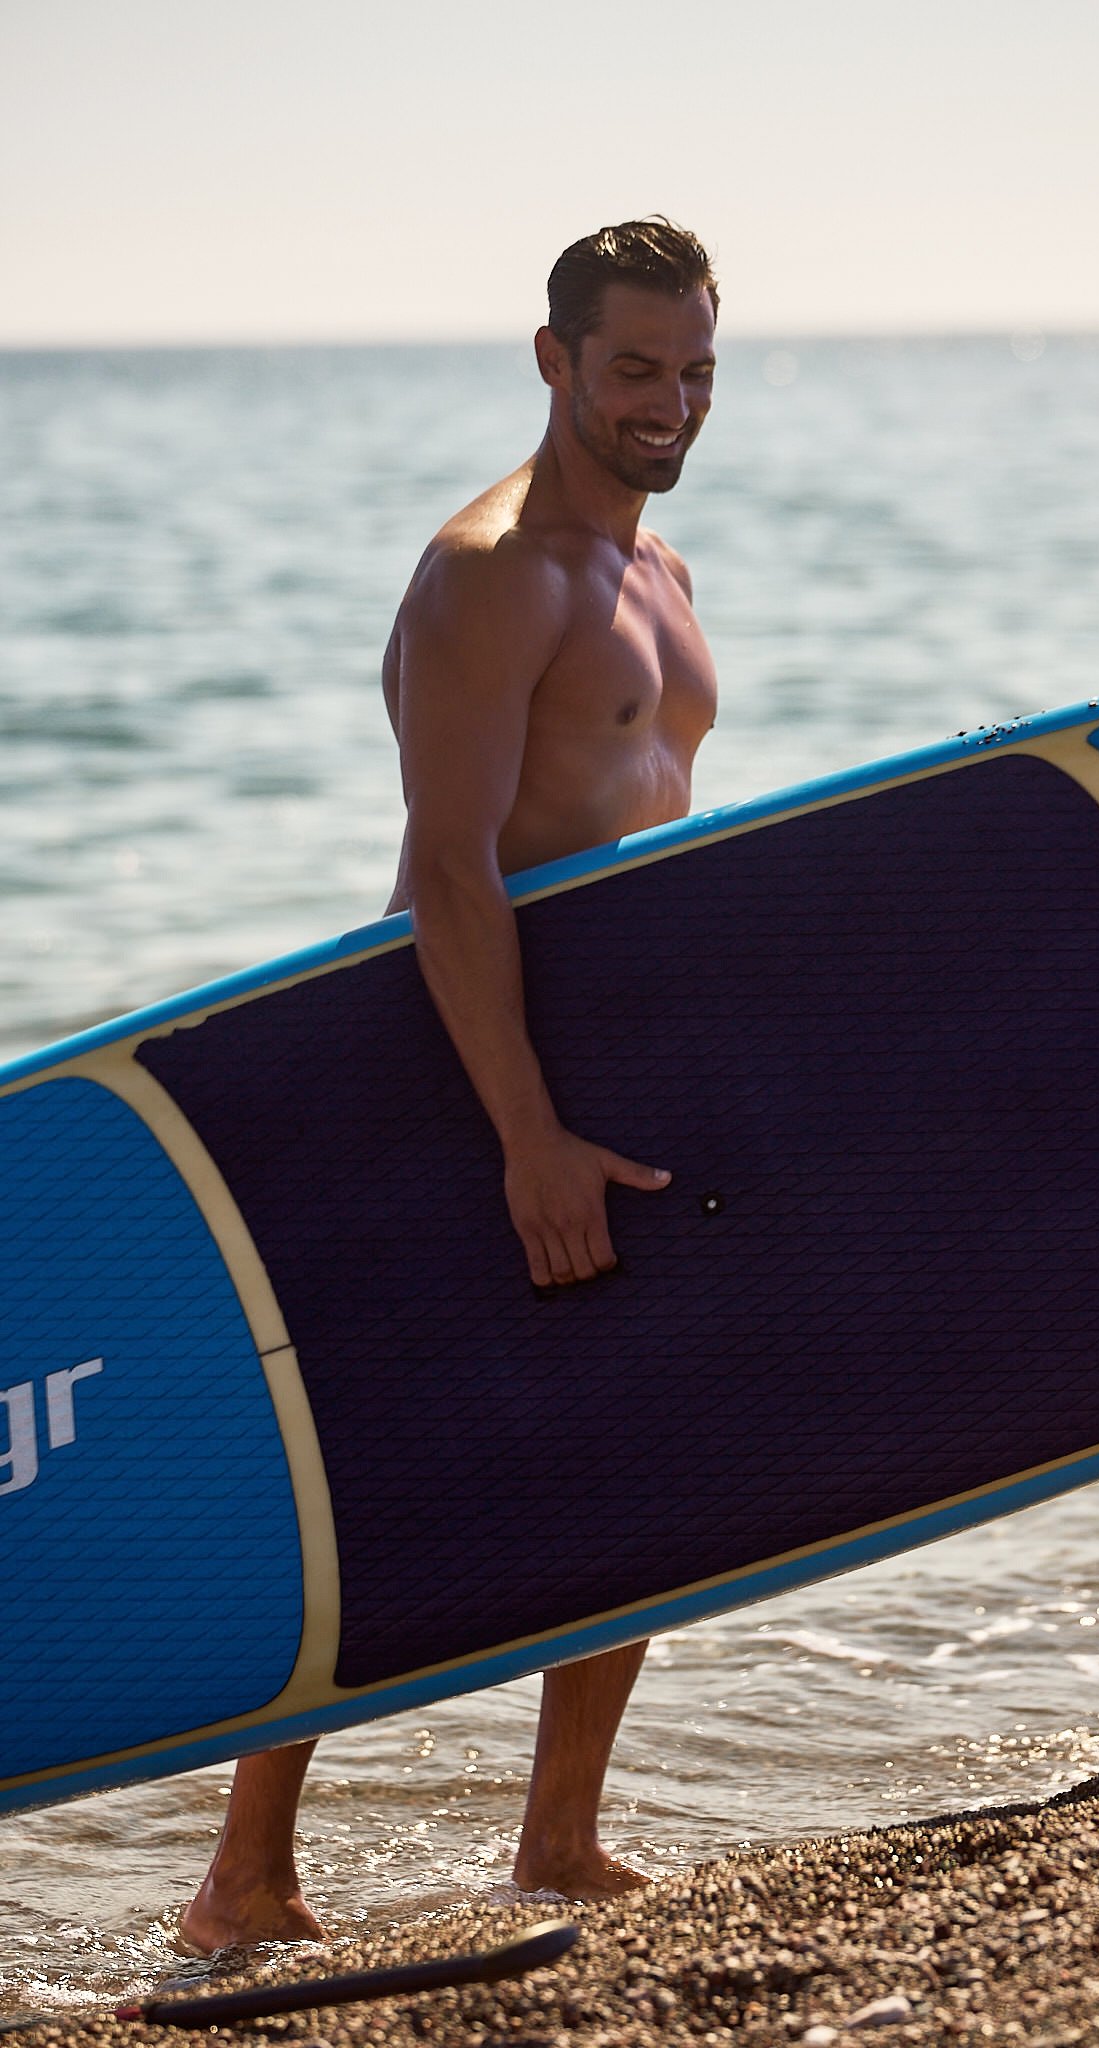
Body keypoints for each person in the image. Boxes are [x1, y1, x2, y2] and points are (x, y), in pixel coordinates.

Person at [179, 218, 720, 1952]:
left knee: (642, 1439)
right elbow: (453, 871)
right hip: (461, 1063)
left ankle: (559, 1841)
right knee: (387, 1458)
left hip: (612, 1055)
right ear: (553, 358)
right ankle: (243, 1876)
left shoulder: (663, 576)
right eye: (635, 366)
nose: (670, 401)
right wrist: (526, 1134)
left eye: (697, 368)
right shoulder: (494, 570)